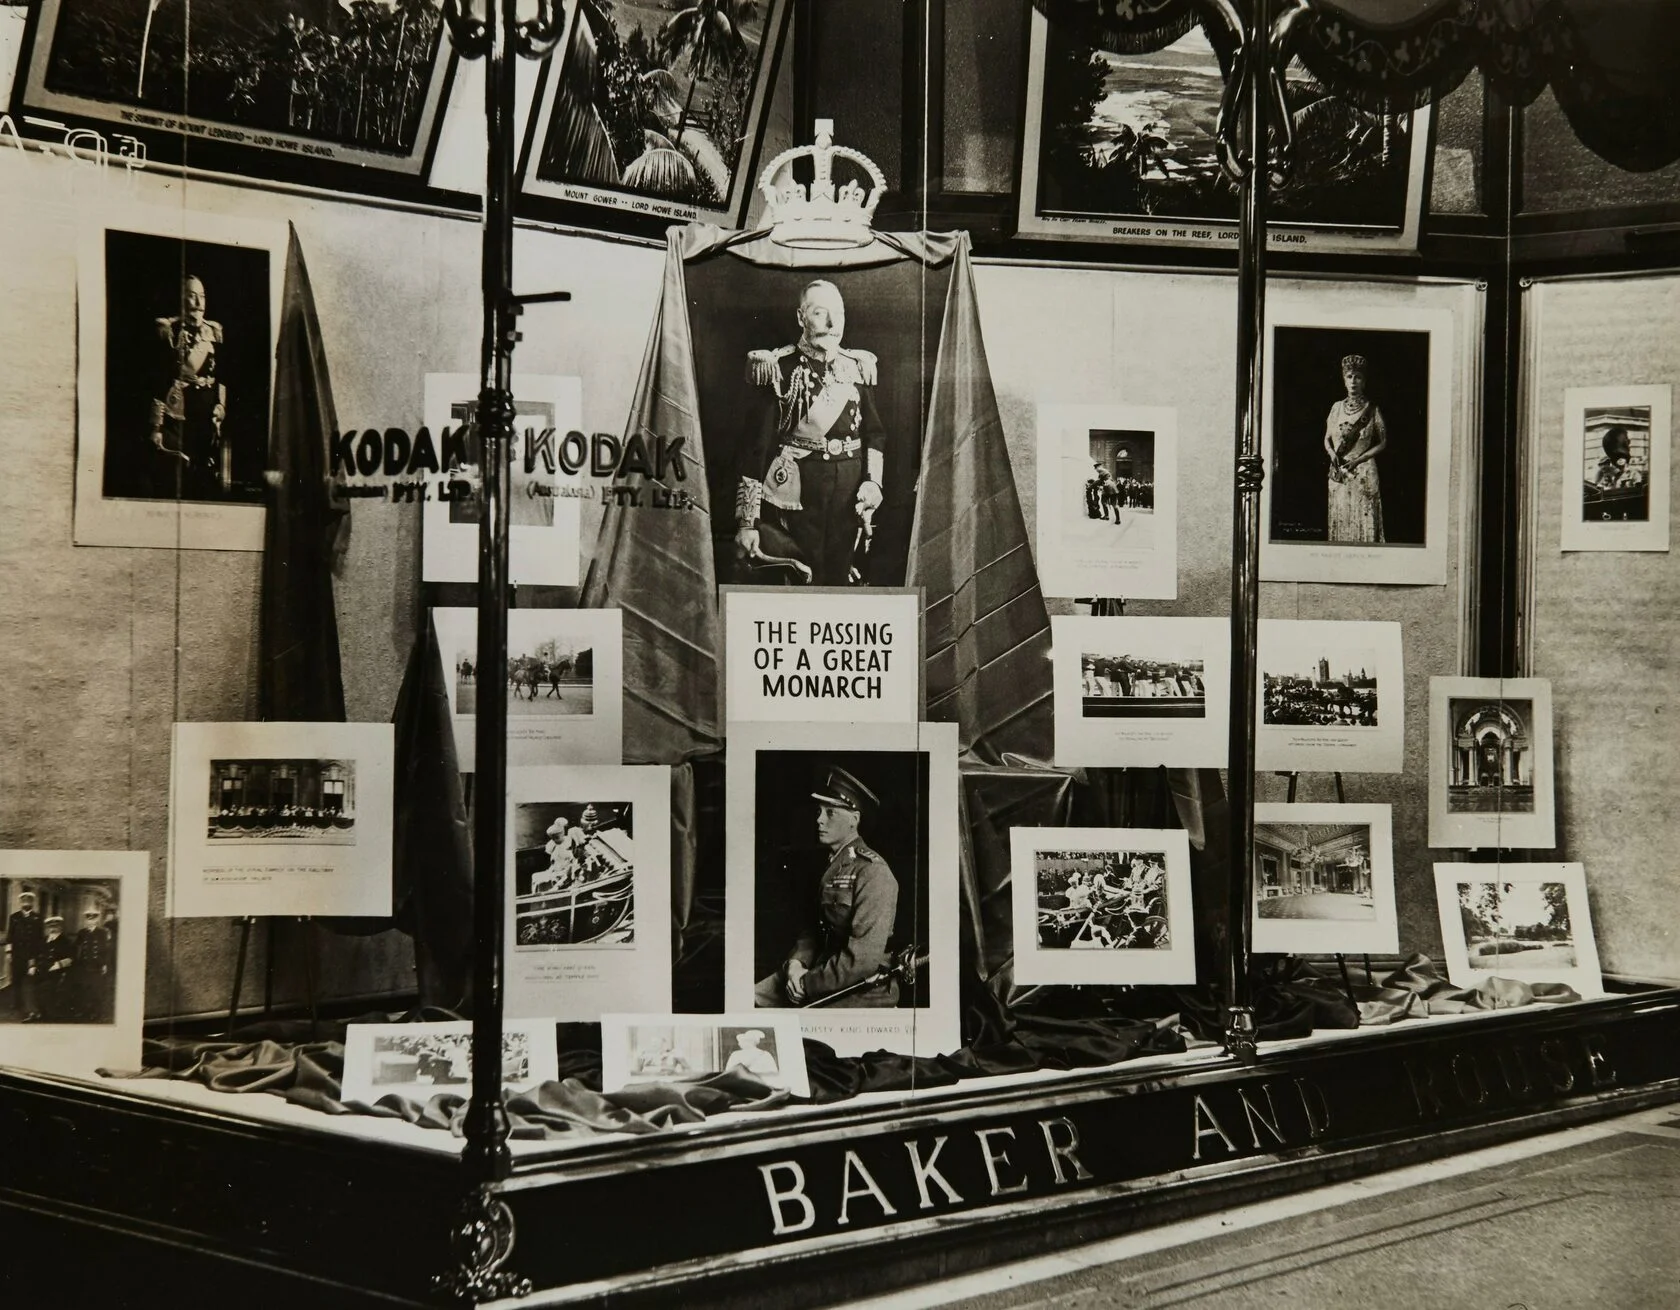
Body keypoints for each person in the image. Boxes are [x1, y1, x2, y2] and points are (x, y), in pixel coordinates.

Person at [735, 280, 885, 586]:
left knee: (841, 580)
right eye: (820, 313)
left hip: (849, 496)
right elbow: (756, 447)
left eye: (838, 315)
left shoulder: (856, 367)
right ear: (800, 317)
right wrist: (747, 522)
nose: (832, 324)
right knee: (804, 580)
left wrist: (873, 482)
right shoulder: (779, 368)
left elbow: (875, 435)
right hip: (798, 495)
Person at [755, 766, 899, 1008]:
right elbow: (815, 929)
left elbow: (861, 962)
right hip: (818, 969)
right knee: (751, 999)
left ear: (854, 820)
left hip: (859, 986)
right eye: (819, 811)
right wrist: (795, 965)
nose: (819, 820)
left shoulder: (873, 873)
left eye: (830, 812)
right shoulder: (833, 866)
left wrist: (807, 983)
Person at [149, 274, 228, 499]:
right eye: (192, 296)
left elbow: (220, 377)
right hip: (178, 415)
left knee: (203, 480)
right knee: (174, 479)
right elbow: (160, 380)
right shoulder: (170, 330)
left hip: (206, 415)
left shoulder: (214, 331)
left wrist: (221, 406)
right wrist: (156, 427)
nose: (198, 303)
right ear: (182, 299)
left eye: (202, 296)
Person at [1323, 353, 1387, 543]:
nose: (1353, 381)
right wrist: (1332, 453)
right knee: (1341, 517)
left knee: (1364, 520)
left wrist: (1358, 460)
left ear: (1364, 381)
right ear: (1344, 380)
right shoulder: (1336, 408)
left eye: (1358, 377)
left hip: (1364, 472)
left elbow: (1383, 442)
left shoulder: (1372, 410)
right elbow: (1326, 438)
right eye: (1349, 377)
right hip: (1339, 472)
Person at [6, 890, 44, 1022]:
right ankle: (16, 1004)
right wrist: (9, 953)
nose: (26, 903)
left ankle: (30, 1007)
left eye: (29, 901)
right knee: (15, 979)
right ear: (20, 902)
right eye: (24, 901)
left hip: (31, 955)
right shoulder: (14, 917)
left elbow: (40, 939)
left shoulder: (38, 918)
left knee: (29, 981)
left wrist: (37, 956)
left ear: (32, 903)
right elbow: (10, 935)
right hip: (17, 954)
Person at [72, 907, 115, 1023]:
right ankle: (85, 1011)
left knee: (96, 989)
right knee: (85, 989)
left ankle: (96, 1012)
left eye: (93, 919)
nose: (90, 921)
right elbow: (76, 947)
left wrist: (105, 964)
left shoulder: (102, 933)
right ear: (86, 920)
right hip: (84, 965)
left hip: (97, 965)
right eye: (88, 919)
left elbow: (106, 950)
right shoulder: (82, 932)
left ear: (97, 920)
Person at [38, 917, 76, 1023]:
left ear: (60, 927)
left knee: (47, 987)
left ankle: (50, 1015)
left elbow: (71, 958)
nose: (53, 929)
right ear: (47, 928)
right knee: (30, 983)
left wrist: (59, 964)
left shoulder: (66, 941)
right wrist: (33, 966)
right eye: (50, 927)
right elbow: (37, 954)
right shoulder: (43, 940)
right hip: (42, 969)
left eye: (55, 927)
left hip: (58, 971)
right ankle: (37, 1012)